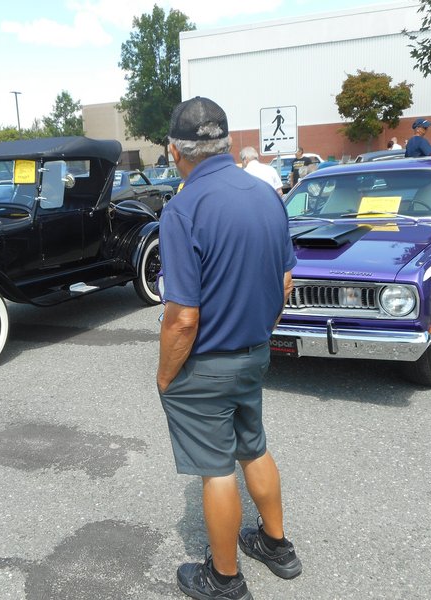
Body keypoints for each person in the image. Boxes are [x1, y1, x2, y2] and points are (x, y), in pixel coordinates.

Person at [157, 97, 300, 600]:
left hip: (207, 361)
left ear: (176, 151)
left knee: (216, 469)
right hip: (255, 352)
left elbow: (182, 318)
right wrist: (263, 327)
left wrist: (164, 375)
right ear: (227, 143)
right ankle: (276, 545)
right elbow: (285, 279)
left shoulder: (182, 209)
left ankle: (224, 579)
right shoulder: (266, 194)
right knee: (252, 445)